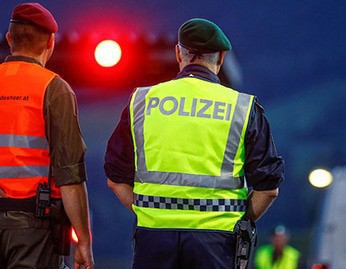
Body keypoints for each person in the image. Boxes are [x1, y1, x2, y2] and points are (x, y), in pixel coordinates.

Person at [105, 18, 284, 269]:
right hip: (217, 241)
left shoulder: (142, 102)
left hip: (155, 239)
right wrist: (239, 220)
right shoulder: (241, 108)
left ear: (178, 53)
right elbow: (269, 188)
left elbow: (115, 178)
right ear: (220, 58)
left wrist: (149, 213)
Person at [0, 3, 94, 269]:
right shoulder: (55, 89)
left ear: (9, 39)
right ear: (50, 42)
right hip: (33, 229)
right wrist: (84, 240)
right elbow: (70, 174)